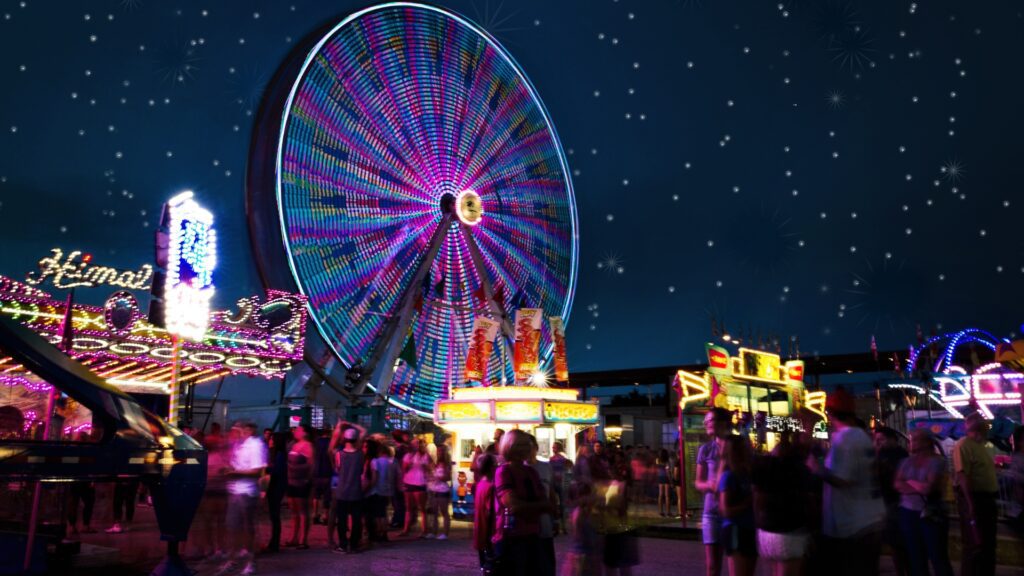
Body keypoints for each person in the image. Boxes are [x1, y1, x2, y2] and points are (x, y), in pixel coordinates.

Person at [809, 388, 885, 576]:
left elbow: (843, 480)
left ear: (831, 413)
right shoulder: (861, 436)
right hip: (870, 519)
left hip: (854, 526)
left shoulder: (846, 438)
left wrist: (816, 469)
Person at [894, 429, 953, 576]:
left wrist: (909, 482)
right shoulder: (906, 462)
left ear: (927, 442)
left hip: (931, 514)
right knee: (915, 557)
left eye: (915, 439)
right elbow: (897, 484)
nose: (911, 442)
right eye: (911, 439)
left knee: (937, 555)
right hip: (908, 513)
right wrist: (919, 485)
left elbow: (929, 488)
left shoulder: (937, 461)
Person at [752, 431, 812, 576]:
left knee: (774, 572)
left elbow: (756, 498)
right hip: (790, 532)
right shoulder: (798, 470)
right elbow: (808, 499)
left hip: (765, 532)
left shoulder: (764, 468)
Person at [493, 429, 550, 575]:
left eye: (527, 444)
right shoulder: (503, 472)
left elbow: (547, 505)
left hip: (533, 535)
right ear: (510, 447)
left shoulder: (531, 472)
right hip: (511, 538)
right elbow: (513, 505)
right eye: (521, 445)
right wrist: (538, 506)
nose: (526, 448)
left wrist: (526, 506)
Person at [218, 421, 267, 576]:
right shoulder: (238, 445)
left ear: (247, 430)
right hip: (235, 491)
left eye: (236, 431)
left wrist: (235, 473)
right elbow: (236, 466)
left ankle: (251, 563)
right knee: (232, 528)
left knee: (248, 529)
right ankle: (232, 561)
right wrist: (228, 469)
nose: (233, 435)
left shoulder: (256, 445)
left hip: (247, 492)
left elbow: (257, 471)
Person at [953, 413, 998, 576]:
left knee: (988, 542)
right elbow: (962, 475)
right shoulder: (964, 445)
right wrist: (970, 504)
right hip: (975, 499)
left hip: (987, 498)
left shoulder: (984, 446)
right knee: (975, 544)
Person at [696, 407, 732, 576]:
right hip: (711, 513)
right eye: (706, 421)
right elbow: (698, 482)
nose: (706, 424)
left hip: (733, 511)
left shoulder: (738, 445)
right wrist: (710, 485)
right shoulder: (705, 449)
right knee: (712, 566)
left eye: (710, 420)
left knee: (734, 562)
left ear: (723, 423)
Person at [718, 436, 757, 576]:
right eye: (746, 447)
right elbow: (725, 510)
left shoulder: (747, 474)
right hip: (735, 529)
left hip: (749, 528)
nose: (750, 449)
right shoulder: (729, 476)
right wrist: (749, 501)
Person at [874, 427, 909, 576]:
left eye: (881, 439)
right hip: (885, 500)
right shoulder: (878, 454)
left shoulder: (901, 455)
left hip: (897, 500)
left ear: (892, 439)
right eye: (876, 440)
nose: (878, 443)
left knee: (900, 540)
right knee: (893, 541)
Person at [196, 423, 229, 559]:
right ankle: (214, 548)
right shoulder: (209, 457)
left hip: (217, 491)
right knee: (212, 522)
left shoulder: (217, 457)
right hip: (212, 491)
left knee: (215, 522)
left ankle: (216, 548)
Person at [332, 423, 366, 553]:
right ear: (356, 439)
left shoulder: (339, 454)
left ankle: (343, 544)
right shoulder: (360, 454)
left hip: (342, 491)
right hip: (356, 491)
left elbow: (338, 469)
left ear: (345, 439)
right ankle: (354, 544)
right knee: (356, 520)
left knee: (342, 520)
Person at [528, 436, 556, 576]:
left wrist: (555, 519)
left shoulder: (545, 467)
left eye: (530, 447)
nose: (527, 451)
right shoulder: (518, 470)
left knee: (547, 562)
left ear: (536, 448)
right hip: (527, 525)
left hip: (545, 522)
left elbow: (551, 493)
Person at [560, 483, 600, 576]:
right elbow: (587, 539)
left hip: (579, 555)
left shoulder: (579, 512)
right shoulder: (582, 514)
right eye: (593, 494)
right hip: (583, 558)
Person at [285, 424, 314, 549]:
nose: (296, 431)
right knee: (294, 511)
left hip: (301, 482)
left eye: (299, 430)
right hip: (291, 481)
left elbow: (311, 465)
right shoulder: (294, 445)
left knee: (302, 511)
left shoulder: (308, 446)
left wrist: (307, 479)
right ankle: (293, 537)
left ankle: (303, 539)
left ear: (305, 433)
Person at [399, 437, 431, 538]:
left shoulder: (425, 456)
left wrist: (425, 468)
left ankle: (424, 530)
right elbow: (404, 469)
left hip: (420, 483)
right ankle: (406, 529)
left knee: (422, 508)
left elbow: (429, 469)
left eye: (417, 443)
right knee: (408, 508)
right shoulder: (408, 456)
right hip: (408, 482)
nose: (415, 446)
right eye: (414, 444)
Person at [264, 431, 289, 553]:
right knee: (274, 516)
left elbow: (275, 473)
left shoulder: (279, 455)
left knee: (275, 516)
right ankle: (274, 543)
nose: (269, 441)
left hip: (275, 487)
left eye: (272, 439)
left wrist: (266, 471)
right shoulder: (277, 455)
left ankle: (274, 544)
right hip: (276, 487)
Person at [473, 454, 498, 575]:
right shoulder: (490, 486)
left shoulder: (480, 485)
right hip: (489, 531)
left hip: (480, 529)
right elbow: (490, 510)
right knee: (491, 563)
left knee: (483, 563)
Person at [366, 439, 395, 543]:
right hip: (387, 490)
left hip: (377, 490)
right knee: (384, 513)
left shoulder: (375, 461)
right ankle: (385, 534)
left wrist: (368, 489)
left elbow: (374, 478)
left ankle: (380, 533)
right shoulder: (391, 462)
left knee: (378, 514)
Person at [427, 442, 453, 540]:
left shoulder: (446, 464)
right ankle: (434, 532)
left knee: (444, 512)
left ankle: (445, 534)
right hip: (434, 489)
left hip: (443, 490)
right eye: (438, 451)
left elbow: (448, 477)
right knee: (434, 512)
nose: (439, 453)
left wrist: (439, 477)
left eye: (441, 451)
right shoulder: (436, 463)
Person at [549, 442, 572, 534]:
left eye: (554, 447)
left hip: (558, 483)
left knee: (559, 504)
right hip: (558, 483)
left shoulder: (555, 459)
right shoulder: (562, 459)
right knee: (561, 505)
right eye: (553, 447)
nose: (553, 449)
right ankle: (562, 525)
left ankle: (560, 525)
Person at [312, 428, 333, 525]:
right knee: (327, 496)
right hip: (327, 472)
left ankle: (315, 515)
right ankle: (326, 516)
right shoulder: (331, 443)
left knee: (316, 496)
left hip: (316, 472)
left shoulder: (315, 443)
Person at [390, 430, 410, 529]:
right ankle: (399, 520)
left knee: (398, 501)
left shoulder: (400, 450)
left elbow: (399, 465)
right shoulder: (405, 449)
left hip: (399, 478)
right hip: (403, 478)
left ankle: (398, 520)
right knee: (400, 501)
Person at [657, 448, 672, 517]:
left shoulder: (657, 460)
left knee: (660, 495)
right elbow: (668, 472)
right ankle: (668, 512)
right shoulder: (667, 462)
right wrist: (670, 480)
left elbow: (656, 469)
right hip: (666, 478)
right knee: (667, 496)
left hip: (660, 477)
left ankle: (660, 511)